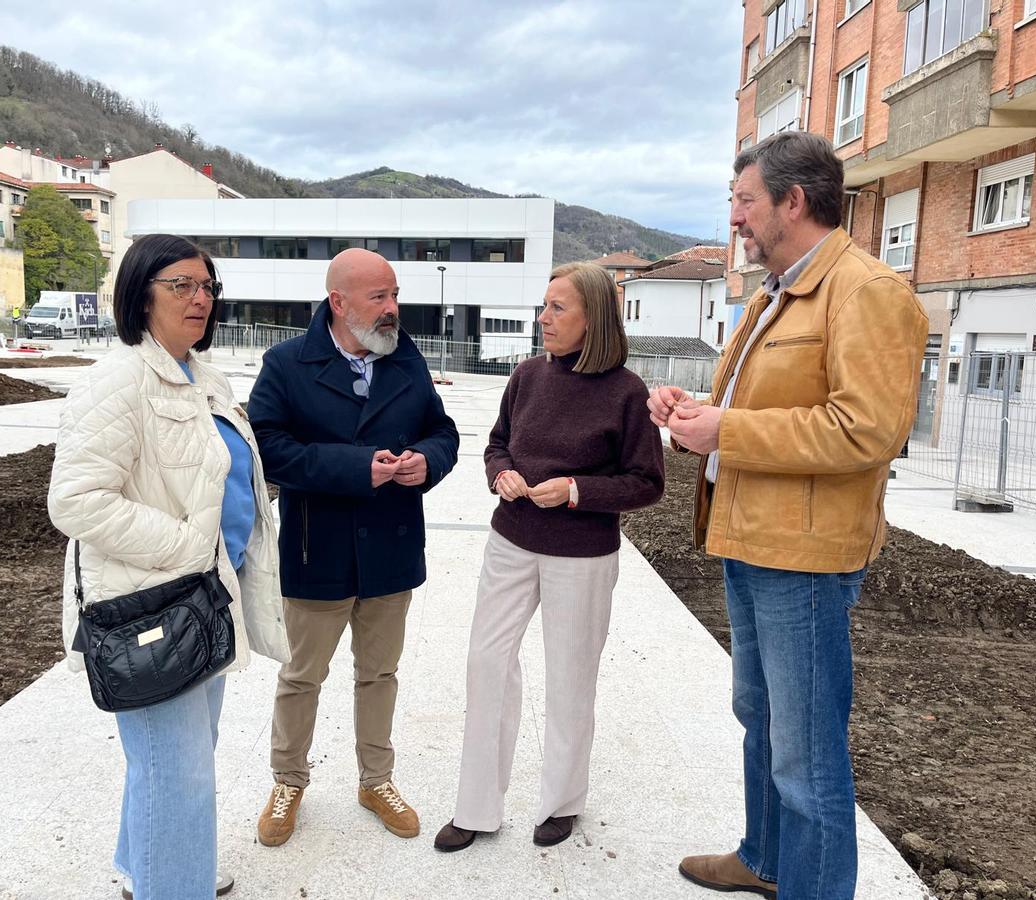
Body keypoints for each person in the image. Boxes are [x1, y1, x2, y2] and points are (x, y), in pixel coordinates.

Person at [648, 131, 928, 899]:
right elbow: (763, 406)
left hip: (804, 559)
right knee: (762, 717)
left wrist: (725, 430)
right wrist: (696, 414)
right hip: (754, 538)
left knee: (807, 753)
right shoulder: (778, 290)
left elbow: (868, 430)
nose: (734, 218)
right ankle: (765, 860)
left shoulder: (866, 292)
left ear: (793, 202)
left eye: (744, 201)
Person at [48, 233, 289, 900]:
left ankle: (141, 866)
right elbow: (76, 501)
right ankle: (170, 881)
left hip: (204, 603)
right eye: (181, 284)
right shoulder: (118, 380)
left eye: (207, 286)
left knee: (172, 764)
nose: (200, 297)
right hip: (152, 609)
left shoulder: (200, 376)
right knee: (177, 776)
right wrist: (186, 548)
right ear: (139, 293)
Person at [433, 262, 665, 853]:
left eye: (558, 308)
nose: (544, 318)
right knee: (487, 664)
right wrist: (502, 474)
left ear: (594, 320)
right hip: (510, 541)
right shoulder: (527, 376)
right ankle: (476, 807)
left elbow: (646, 482)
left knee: (569, 678)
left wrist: (577, 490)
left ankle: (562, 803)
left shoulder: (627, 393)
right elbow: (495, 443)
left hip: (581, 557)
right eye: (544, 306)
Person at [247, 248, 459, 847]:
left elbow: (442, 431)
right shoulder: (287, 364)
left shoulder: (406, 358)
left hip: (391, 550)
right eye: (378, 298)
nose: (393, 309)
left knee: (379, 674)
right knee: (302, 676)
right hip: (320, 549)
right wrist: (355, 467)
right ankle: (288, 781)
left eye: (395, 295)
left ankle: (376, 780)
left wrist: (429, 461)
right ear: (338, 303)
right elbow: (267, 447)